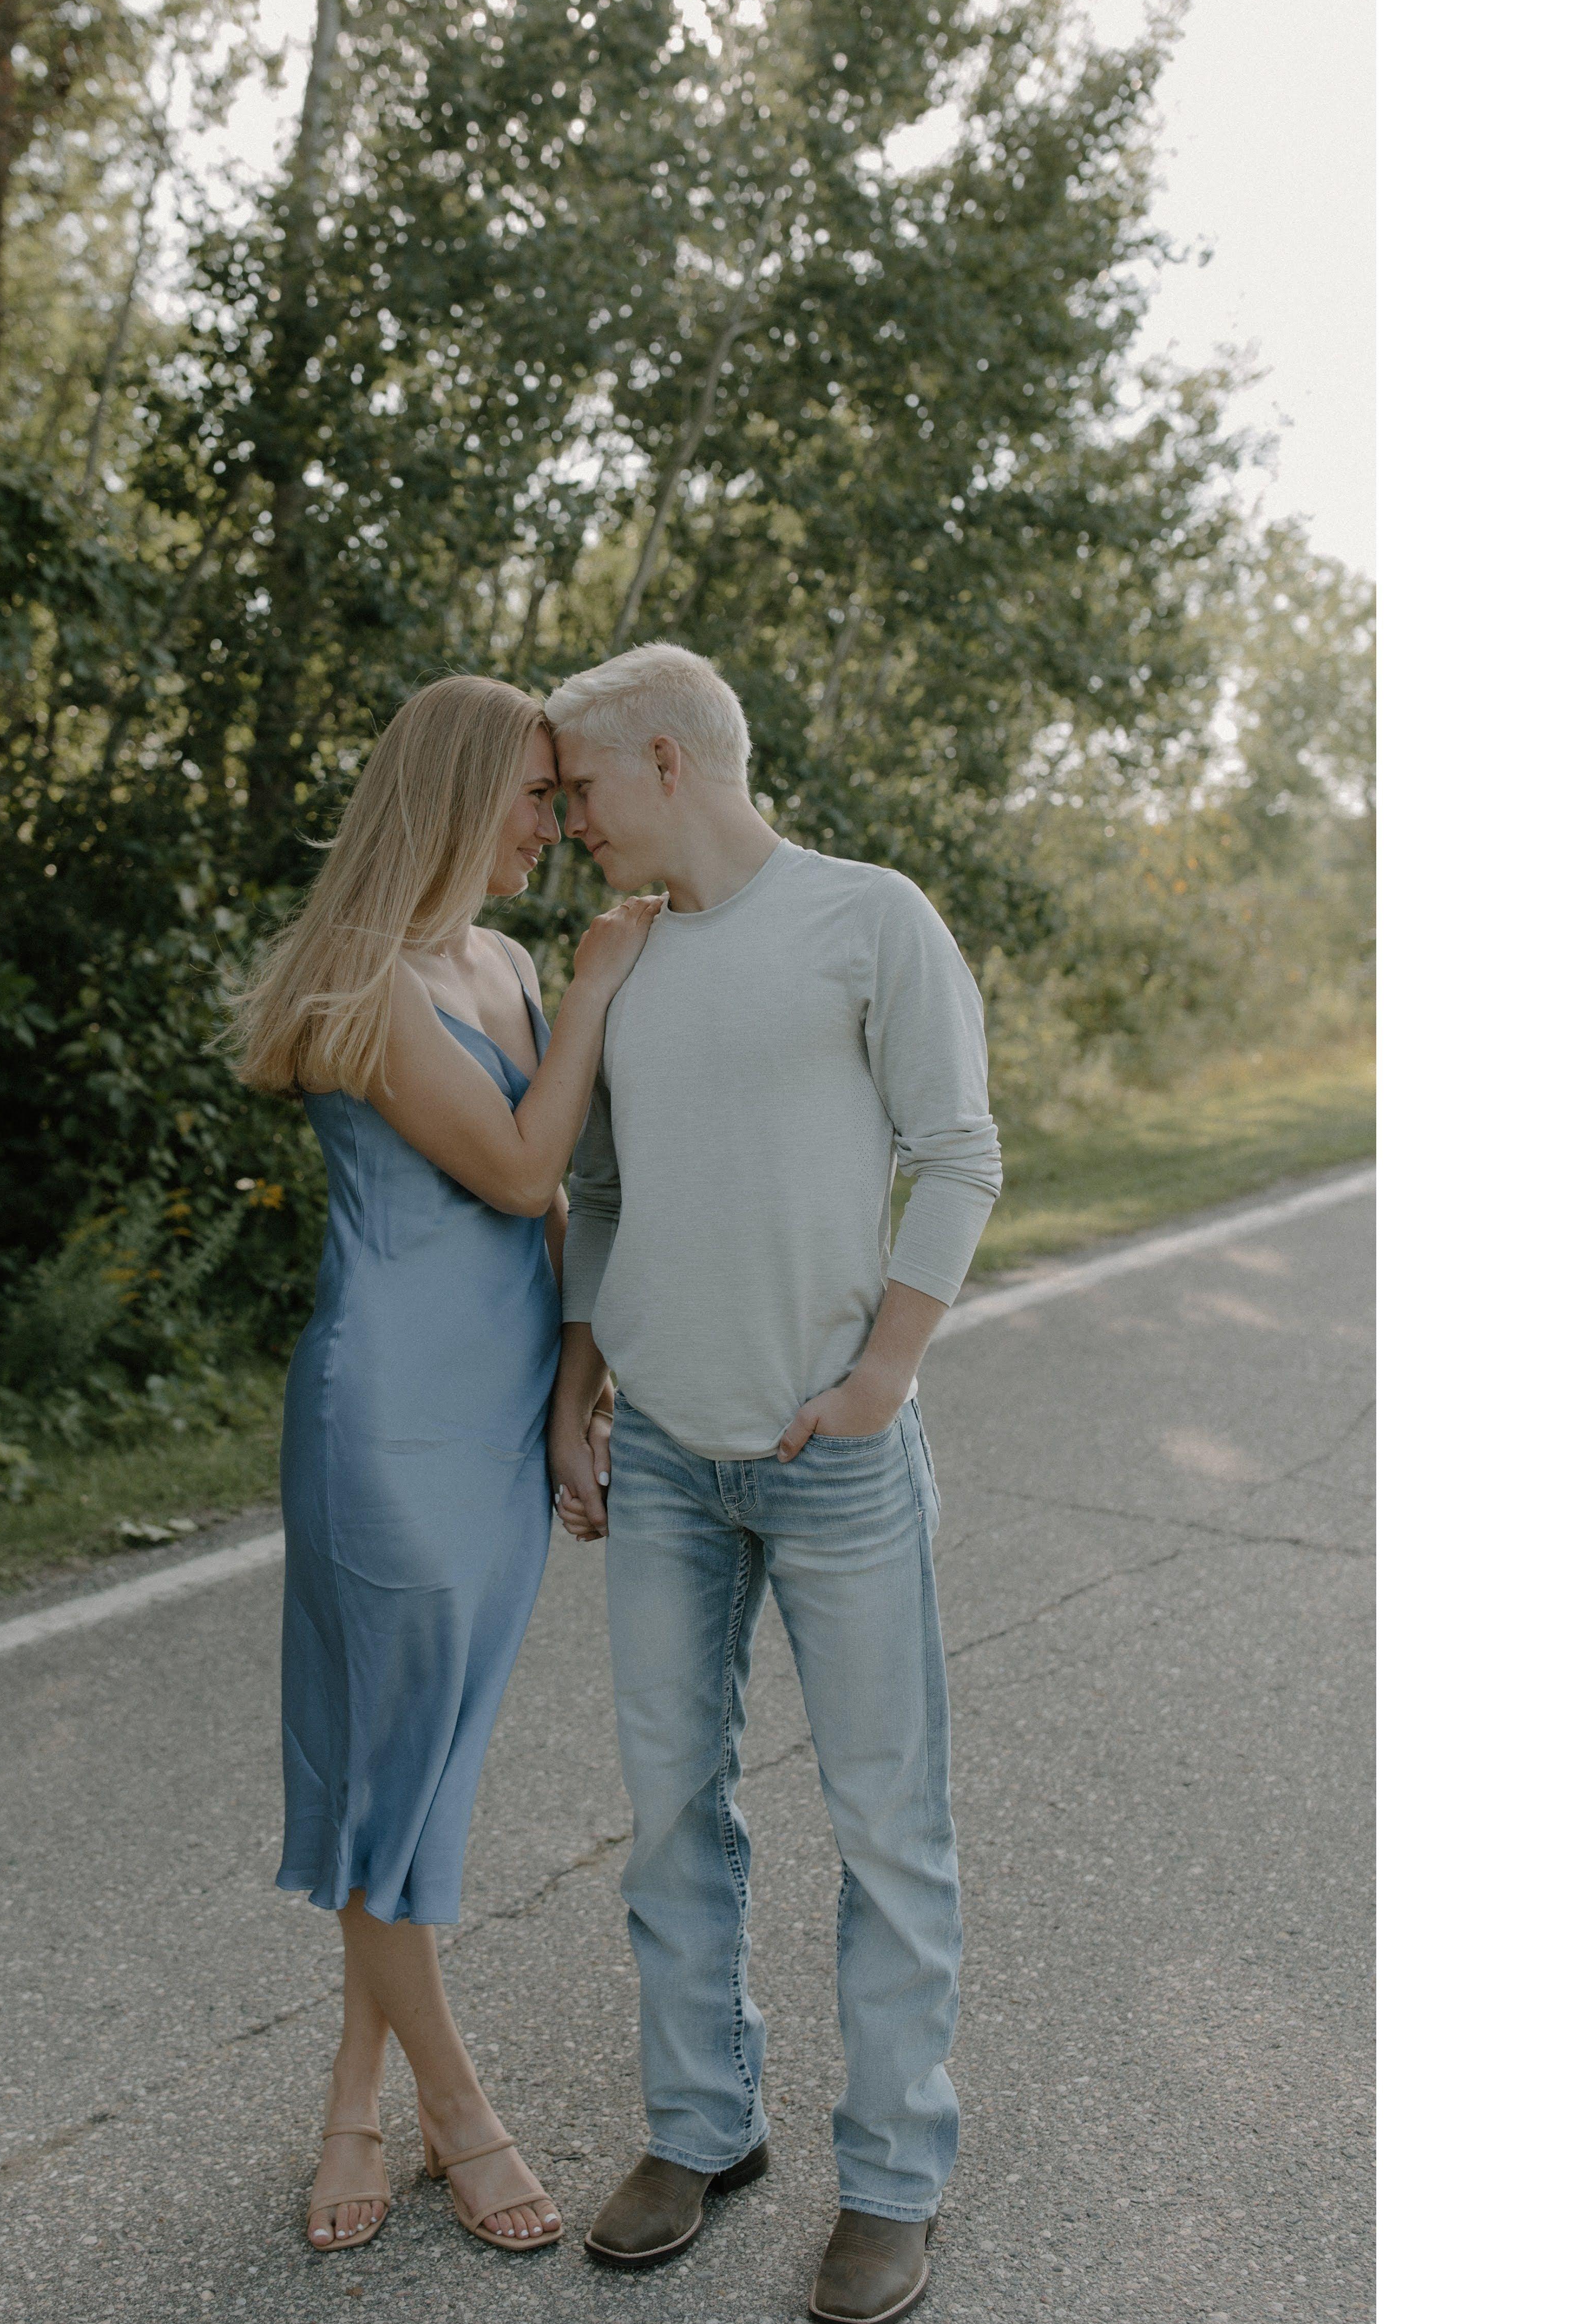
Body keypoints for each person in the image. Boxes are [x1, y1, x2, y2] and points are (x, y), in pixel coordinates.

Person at [541, 642, 1002, 2324]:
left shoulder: (870, 919)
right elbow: (598, 1191)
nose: (567, 820)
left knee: (887, 1828)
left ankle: (890, 2177)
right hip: (665, 1456)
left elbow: (956, 1153)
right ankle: (698, 2127)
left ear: (667, 760)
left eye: (580, 788)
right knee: (672, 1810)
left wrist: (884, 1371)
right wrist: (577, 1392)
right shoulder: (621, 958)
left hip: (835, 1458)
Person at [230, 673, 660, 2257]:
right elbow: (525, 1163)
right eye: (535, 796)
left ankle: (354, 2096)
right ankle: (460, 2108)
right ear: (462, 794)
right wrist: (602, 988)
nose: (553, 825)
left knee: (416, 1775)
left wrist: (570, 1398)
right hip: (388, 1423)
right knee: (388, 1771)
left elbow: (552, 1223)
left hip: (495, 1416)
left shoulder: (501, 961)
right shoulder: (357, 979)